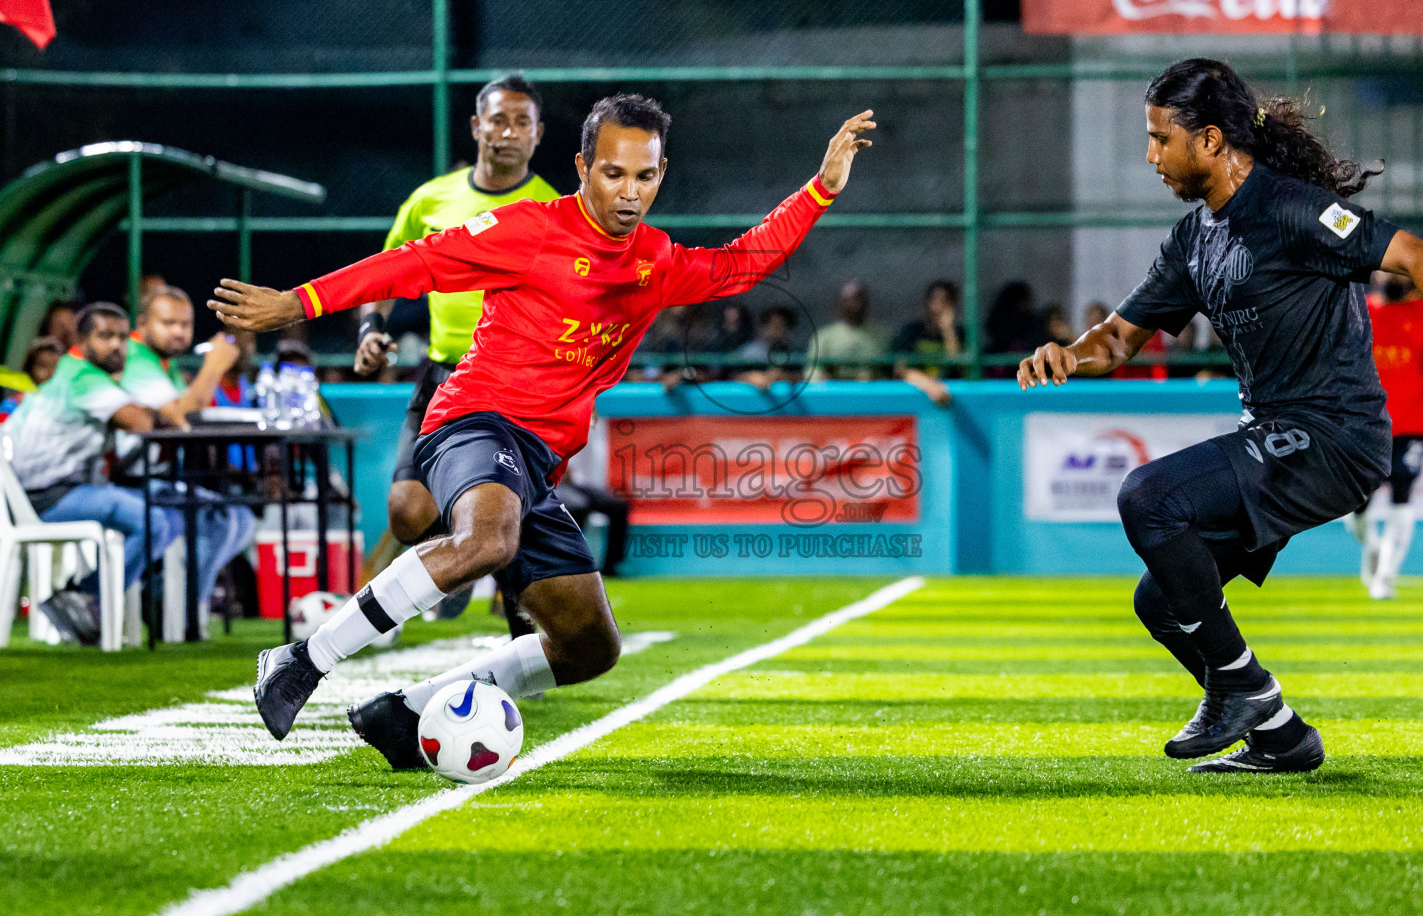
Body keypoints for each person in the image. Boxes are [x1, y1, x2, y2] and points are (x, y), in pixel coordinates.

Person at [210, 96, 875, 763]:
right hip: (472, 416)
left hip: (534, 461)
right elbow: (414, 264)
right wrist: (300, 301)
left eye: (645, 177)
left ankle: (405, 712)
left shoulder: (656, 261)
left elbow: (741, 263)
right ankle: (303, 659)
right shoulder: (529, 231)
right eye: (613, 173)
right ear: (583, 165)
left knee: (590, 645)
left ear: (661, 173)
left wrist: (820, 189)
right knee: (486, 540)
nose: (629, 192)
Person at [1017, 58, 1423, 775]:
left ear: (1213, 140)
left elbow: (1422, 256)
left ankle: (1244, 690)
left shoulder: (1293, 208)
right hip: (1281, 437)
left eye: (1161, 139)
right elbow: (1119, 338)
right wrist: (1068, 355)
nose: (1149, 155)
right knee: (1162, 602)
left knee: (1147, 497)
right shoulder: (1195, 240)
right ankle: (1282, 737)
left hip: (1336, 436)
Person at [353, 74, 561, 549]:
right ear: (476, 126)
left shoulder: (556, 212)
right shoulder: (430, 201)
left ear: (538, 133)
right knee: (407, 512)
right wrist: (370, 329)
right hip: (444, 377)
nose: (509, 132)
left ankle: (495, 586)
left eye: (521, 123)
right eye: (498, 121)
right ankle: (459, 556)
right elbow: (383, 274)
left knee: (513, 522)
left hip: (520, 389)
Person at [4, 304, 177, 633]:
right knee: (154, 520)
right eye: (105, 336)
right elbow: (142, 422)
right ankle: (82, 597)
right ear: (81, 341)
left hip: (52, 491)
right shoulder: (82, 376)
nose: (116, 345)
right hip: (46, 497)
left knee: (172, 510)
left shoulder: (77, 372)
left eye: (123, 338)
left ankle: (159, 612)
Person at [118, 286, 255, 623]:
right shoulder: (136, 358)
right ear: (143, 323)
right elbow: (184, 415)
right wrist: (215, 366)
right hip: (129, 479)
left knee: (236, 518)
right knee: (222, 520)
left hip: (158, 478)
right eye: (168, 323)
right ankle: (176, 609)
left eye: (185, 324)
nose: (179, 331)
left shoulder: (164, 364)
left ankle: (179, 605)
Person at [1346, 273, 1423, 600]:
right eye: (1386, 270)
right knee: (1355, 503)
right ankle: (1373, 548)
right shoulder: (1361, 314)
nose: (1391, 276)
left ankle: (1385, 576)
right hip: (1366, 424)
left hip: (1411, 426)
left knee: (1402, 494)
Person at [894, 279, 964, 405]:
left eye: (945, 301)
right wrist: (929, 386)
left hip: (948, 399)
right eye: (935, 300)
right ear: (927, 302)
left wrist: (948, 331)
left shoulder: (959, 335)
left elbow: (961, 367)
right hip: (915, 398)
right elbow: (901, 370)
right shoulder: (912, 331)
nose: (939, 307)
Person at [811, 281, 888, 381]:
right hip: (835, 392)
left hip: (872, 392)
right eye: (851, 300)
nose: (857, 305)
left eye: (860, 299)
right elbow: (812, 369)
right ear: (841, 303)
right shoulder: (825, 335)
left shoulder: (882, 335)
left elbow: (893, 369)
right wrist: (824, 381)